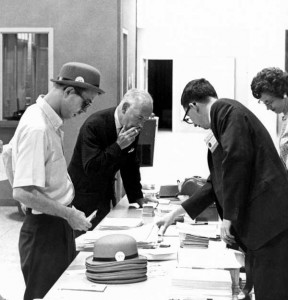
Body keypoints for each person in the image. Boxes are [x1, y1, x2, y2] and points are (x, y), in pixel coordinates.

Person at [156, 78, 288, 300]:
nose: (194, 123)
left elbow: (237, 161)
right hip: (265, 226)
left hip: (270, 222)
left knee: (272, 291)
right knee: (265, 288)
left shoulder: (226, 111)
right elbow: (216, 181)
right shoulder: (225, 117)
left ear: (194, 105)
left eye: (189, 117)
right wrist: (176, 213)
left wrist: (229, 217)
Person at [6, 62, 104, 300]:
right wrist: (68, 214)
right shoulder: (38, 127)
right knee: (45, 295)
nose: (85, 110)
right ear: (69, 91)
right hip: (45, 232)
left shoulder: (42, 117)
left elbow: (9, 154)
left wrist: (66, 211)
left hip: (56, 223)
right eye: (86, 103)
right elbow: (22, 192)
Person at [68, 88, 153, 230]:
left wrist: (137, 197)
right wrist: (118, 146)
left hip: (105, 191)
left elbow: (130, 164)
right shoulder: (94, 125)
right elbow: (92, 167)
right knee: (84, 241)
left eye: (145, 120)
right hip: (83, 193)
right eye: (140, 118)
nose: (141, 125)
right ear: (125, 108)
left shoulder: (132, 127)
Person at [251, 67, 288, 168]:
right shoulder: (284, 117)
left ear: (283, 93)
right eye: (264, 103)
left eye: (269, 102)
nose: (267, 108)